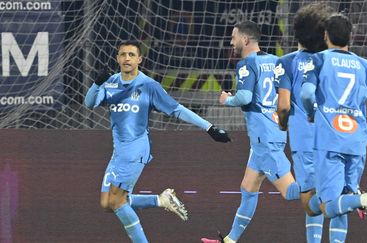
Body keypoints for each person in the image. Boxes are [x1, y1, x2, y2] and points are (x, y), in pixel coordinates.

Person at [84, 41, 231, 243]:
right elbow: (89, 103)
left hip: (136, 150)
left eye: (131, 55)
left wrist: (209, 127)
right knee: (106, 203)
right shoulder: (110, 83)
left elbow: (177, 109)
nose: (127, 58)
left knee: (117, 202)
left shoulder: (149, 86)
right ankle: (161, 200)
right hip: (118, 152)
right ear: (117, 58)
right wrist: (96, 83)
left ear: (139, 60)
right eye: (123, 54)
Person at [201, 20, 300, 243]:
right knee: (248, 188)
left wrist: (227, 99)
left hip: (264, 138)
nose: (231, 41)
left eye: (234, 36)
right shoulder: (276, 61)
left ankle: (343, 193)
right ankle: (230, 240)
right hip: (270, 132)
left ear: (245, 39)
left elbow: (244, 97)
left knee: (291, 192)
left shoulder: (246, 64)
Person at [301, 13, 367, 242]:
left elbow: (307, 94)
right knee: (342, 200)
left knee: (328, 206)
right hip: (356, 140)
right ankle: (357, 199)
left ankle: (365, 200)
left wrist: (311, 114)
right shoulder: (366, 65)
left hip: (329, 139)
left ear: (325, 36)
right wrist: (365, 133)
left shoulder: (318, 60)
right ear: (351, 36)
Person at [275, 3, 335, 242]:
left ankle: (356, 201)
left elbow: (284, 106)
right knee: (327, 192)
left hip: (305, 141)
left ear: (297, 31)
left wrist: (282, 124)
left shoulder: (287, 62)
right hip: (336, 137)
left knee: (310, 202)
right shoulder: (335, 61)